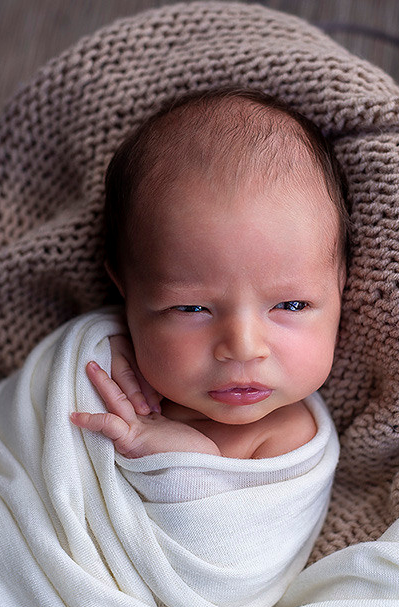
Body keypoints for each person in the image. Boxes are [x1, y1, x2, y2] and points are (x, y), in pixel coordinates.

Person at [70, 88, 350, 460]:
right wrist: (97, 346)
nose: (244, 347)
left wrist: (185, 466)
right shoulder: (101, 364)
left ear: (341, 285)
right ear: (125, 292)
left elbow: (243, 522)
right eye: (190, 309)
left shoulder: (291, 440)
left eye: (291, 304)